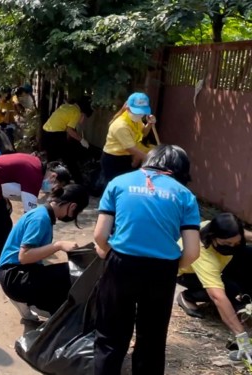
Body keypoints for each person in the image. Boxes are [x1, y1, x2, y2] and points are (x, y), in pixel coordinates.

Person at [93, 144, 201, 375]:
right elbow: (192, 252)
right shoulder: (185, 195)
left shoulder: (119, 183)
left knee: (110, 336)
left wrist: (108, 253)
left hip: (121, 264)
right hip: (162, 271)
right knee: (152, 339)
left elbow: (100, 236)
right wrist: (172, 268)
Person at [0, 153, 72, 280]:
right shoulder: (34, 176)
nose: (53, 191)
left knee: (1, 225)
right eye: (57, 188)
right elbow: (31, 215)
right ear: (53, 176)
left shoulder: (35, 165)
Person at [0, 184, 89, 315]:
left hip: (14, 274)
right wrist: (58, 245)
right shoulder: (40, 218)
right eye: (77, 212)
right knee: (71, 272)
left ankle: (48, 309)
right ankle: (47, 311)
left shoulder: (42, 213)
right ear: (73, 206)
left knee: (60, 276)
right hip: (15, 278)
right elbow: (24, 257)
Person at [176, 213, 252, 364]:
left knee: (248, 254)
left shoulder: (226, 230)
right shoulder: (200, 253)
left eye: (235, 243)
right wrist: (243, 341)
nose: (232, 246)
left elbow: (247, 236)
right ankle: (188, 296)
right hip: (189, 274)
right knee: (228, 289)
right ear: (212, 237)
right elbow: (218, 297)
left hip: (220, 263)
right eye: (227, 243)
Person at [101, 92, 157, 184]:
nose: (140, 115)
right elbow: (131, 149)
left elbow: (143, 133)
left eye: (142, 112)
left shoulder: (135, 120)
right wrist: (151, 159)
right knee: (114, 186)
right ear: (128, 109)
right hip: (113, 159)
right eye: (137, 112)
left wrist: (150, 123)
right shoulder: (120, 126)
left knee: (126, 185)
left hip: (126, 156)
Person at [41, 97, 93, 183]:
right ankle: (79, 182)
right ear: (83, 112)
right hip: (56, 134)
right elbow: (70, 130)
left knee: (51, 160)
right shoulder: (76, 112)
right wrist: (82, 140)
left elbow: (67, 130)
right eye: (84, 117)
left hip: (46, 133)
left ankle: (47, 184)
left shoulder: (66, 106)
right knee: (70, 160)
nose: (83, 120)